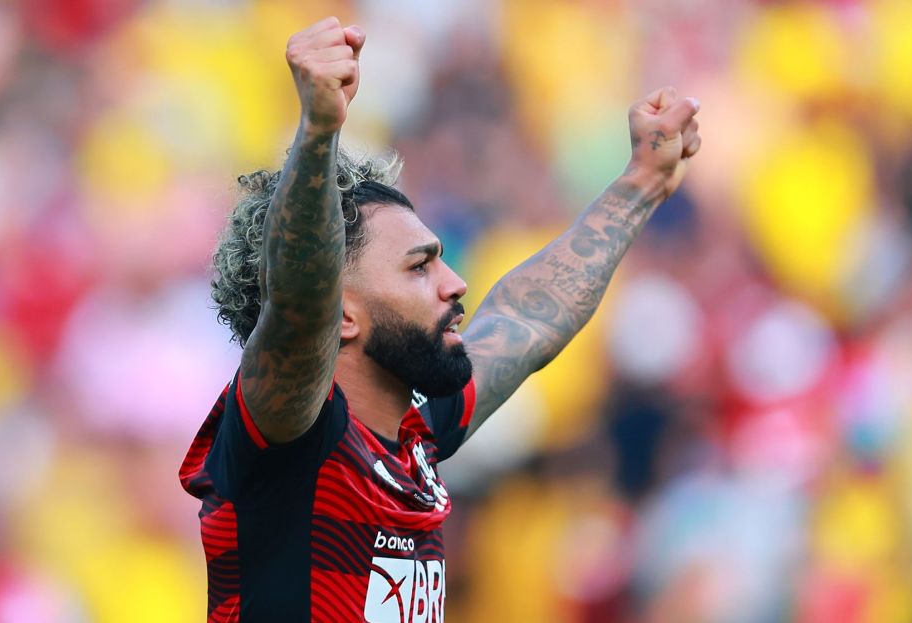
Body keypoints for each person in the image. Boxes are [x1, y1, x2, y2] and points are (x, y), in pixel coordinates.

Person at [180, 15, 701, 623]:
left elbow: (528, 317)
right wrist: (319, 133)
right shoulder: (288, 441)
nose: (455, 285)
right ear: (340, 314)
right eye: (418, 268)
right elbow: (297, 305)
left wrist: (640, 183)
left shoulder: (413, 442)